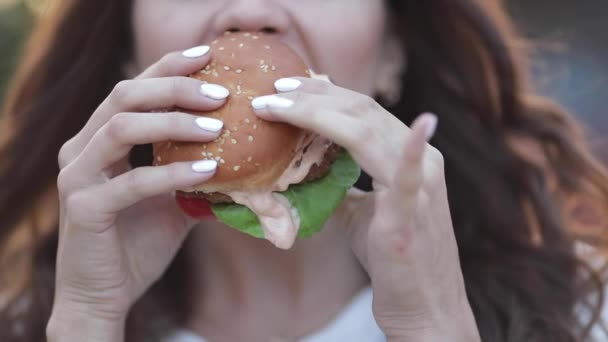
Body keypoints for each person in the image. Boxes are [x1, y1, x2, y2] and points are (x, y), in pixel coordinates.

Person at [1, 1, 607, 341]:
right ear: (129, 57)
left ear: (393, 53)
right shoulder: (34, 322)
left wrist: (433, 324)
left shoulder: (585, 312)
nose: (250, 12)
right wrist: (87, 318)